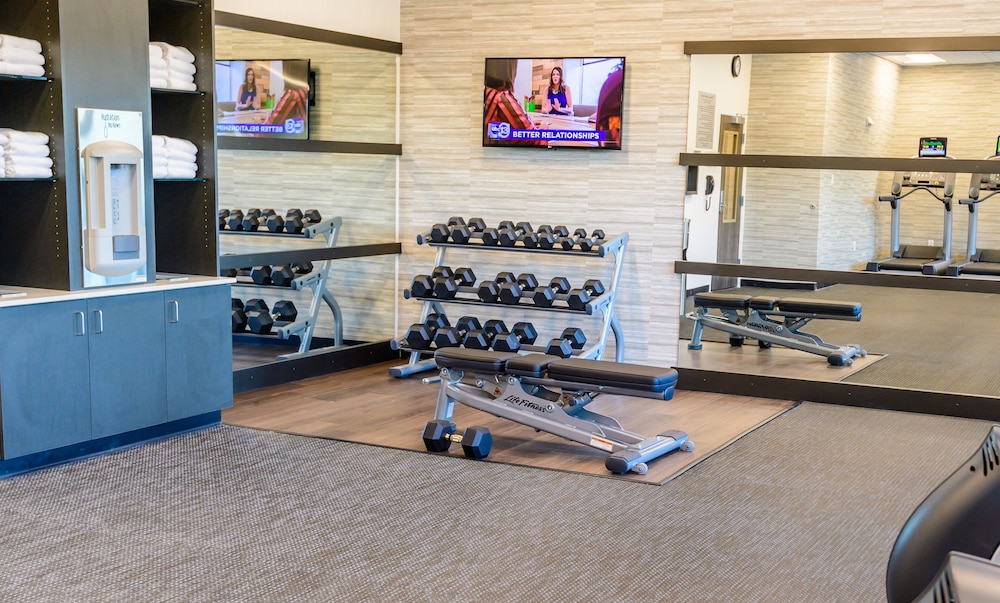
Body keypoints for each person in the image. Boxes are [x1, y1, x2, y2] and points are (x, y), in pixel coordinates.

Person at [482, 59, 545, 146]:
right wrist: (545, 130)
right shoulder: (501, 99)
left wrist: (525, 124)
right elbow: (536, 142)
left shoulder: (486, 92)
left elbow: (496, 131)